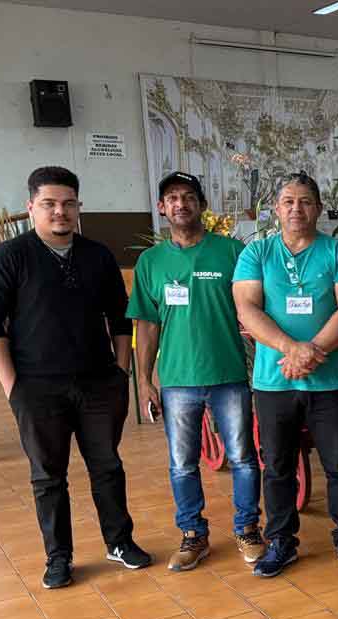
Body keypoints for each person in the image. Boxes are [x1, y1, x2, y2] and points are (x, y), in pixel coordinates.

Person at [0, 166, 150, 589]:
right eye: (49, 204)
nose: (60, 211)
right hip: (37, 389)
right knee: (48, 476)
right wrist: (13, 388)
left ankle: (119, 542)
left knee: (108, 467)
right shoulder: (10, 257)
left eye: (68, 204)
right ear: (31, 208)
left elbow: (121, 319)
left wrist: (120, 374)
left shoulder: (97, 255)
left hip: (98, 384)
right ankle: (58, 557)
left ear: (79, 207)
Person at [233, 173, 338, 577]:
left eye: (305, 201)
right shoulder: (256, 253)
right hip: (274, 381)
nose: (297, 209)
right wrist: (291, 349)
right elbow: (247, 309)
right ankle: (282, 541)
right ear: (276, 209)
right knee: (276, 465)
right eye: (288, 201)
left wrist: (314, 351)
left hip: (331, 382)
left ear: (319, 208)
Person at [127, 172, 264, 571]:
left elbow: (253, 308)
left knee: (242, 457)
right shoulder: (151, 262)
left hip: (228, 375)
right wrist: (145, 380)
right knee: (182, 463)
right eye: (172, 198)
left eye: (189, 197)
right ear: (162, 208)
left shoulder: (231, 252)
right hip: (176, 381)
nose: (181, 204)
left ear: (202, 205)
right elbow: (147, 325)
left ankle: (248, 529)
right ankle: (193, 535)